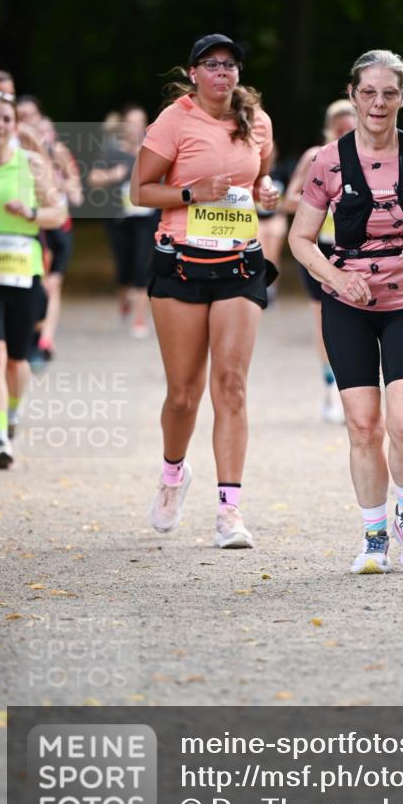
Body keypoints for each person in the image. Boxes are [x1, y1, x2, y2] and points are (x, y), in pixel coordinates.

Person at [289, 49, 403, 574]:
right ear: (353, 94)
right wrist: (337, 277)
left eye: (389, 92)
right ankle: (373, 536)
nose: (379, 102)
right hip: (348, 304)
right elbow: (300, 239)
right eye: (369, 92)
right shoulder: (327, 160)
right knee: (363, 426)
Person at [130, 33, 279, 547]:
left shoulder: (256, 120)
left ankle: (229, 512)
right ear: (193, 73)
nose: (223, 72)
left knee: (232, 387)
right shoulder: (175, 119)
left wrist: (266, 191)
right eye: (212, 64)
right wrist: (193, 192)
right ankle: (173, 475)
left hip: (239, 264)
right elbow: (141, 189)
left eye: (231, 64)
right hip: (181, 266)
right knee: (183, 394)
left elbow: (262, 174)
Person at [0, 92, 65, 467]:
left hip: (23, 272)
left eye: (5, 119)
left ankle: (13, 413)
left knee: (18, 360)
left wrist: (30, 211)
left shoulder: (30, 164)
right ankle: (0, 439)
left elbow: (58, 213)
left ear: (15, 126)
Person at [284, 99, 356, 423]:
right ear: (329, 129)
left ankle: (357, 388)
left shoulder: (373, 159)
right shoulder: (315, 157)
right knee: (324, 320)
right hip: (318, 248)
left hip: (357, 250)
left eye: (350, 128)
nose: (344, 134)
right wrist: (316, 203)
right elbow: (288, 200)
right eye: (339, 129)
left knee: (361, 318)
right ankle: (331, 389)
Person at [88, 105, 155, 337]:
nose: (136, 127)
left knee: (141, 265)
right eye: (131, 122)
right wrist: (111, 176)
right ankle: (125, 297)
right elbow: (93, 178)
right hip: (118, 218)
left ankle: (139, 320)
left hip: (146, 217)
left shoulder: (152, 150)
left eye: (140, 122)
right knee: (124, 267)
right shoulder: (112, 151)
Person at [35, 116, 83, 360]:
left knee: (53, 286)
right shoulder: (26, 159)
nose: (44, 137)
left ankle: (46, 338)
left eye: (48, 132)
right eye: (39, 131)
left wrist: (61, 184)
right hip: (38, 227)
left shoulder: (61, 153)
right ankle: (36, 331)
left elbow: (77, 197)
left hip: (60, 227)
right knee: (40, 285)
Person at [255, 141, 288, 305]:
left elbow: (288, 196)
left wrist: (279, 206)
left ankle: (272, 289)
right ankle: (260, 288)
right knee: (260, 255)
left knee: (273, 254)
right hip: (257, 219)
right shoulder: (254, 172)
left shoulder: (281, 172)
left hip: (275, 218)